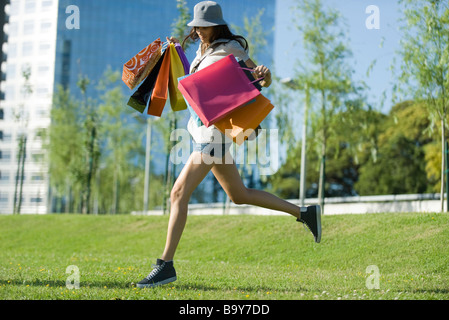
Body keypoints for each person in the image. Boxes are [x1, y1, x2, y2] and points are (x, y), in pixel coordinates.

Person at [136, 1, 321, 289]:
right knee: (239, 194)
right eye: (194, 27)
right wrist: (178, 52)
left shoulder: (232, 49)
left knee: (177, 193)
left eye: (200, 27)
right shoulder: (202, 50)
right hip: (203, 131)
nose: (195, 31)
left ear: (213, 27)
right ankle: (304, 213)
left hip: (215, 135)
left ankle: (165, 266)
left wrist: (266, 74)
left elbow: (260, 80)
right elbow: (194, 81)